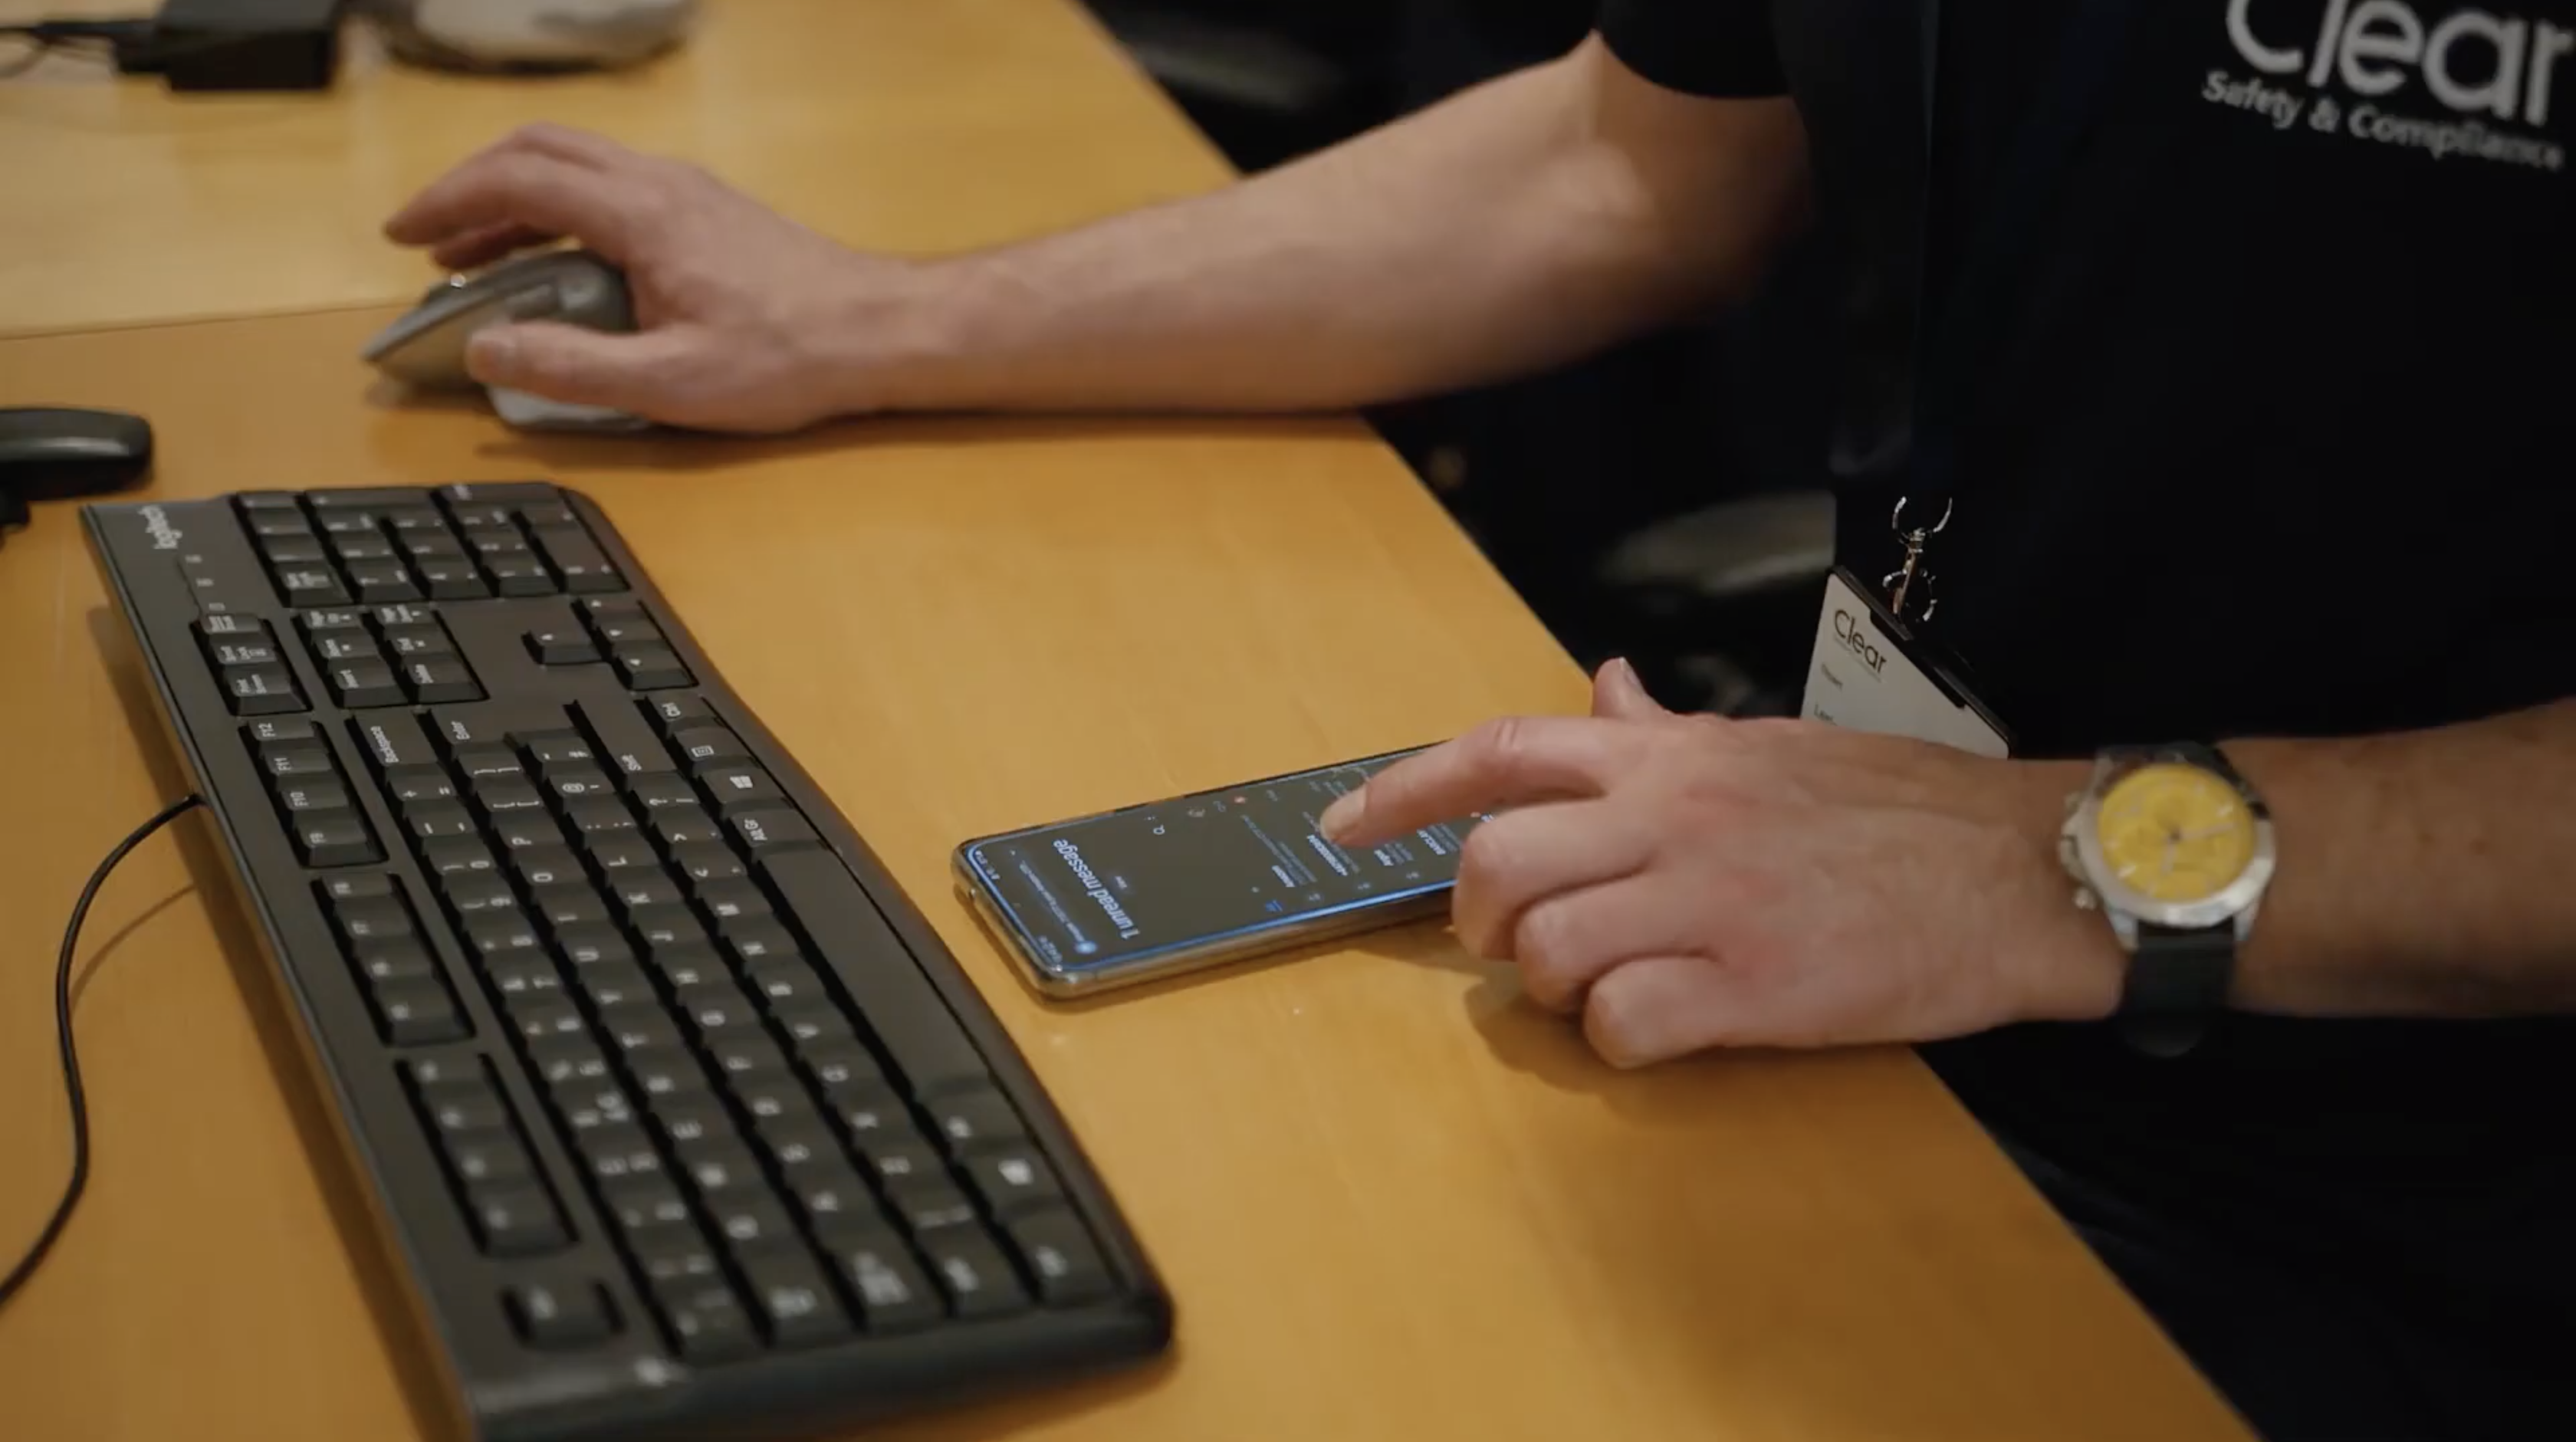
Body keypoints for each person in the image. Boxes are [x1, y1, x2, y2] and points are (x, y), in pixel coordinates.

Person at [383, 3, 2576, 1437]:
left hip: (2422, 1200)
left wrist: (2050, 853)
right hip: (1910, 991)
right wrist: (879, 322)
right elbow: (1633, 162)